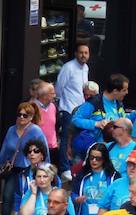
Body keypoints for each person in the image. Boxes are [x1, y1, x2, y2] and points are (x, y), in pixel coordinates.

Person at [0, 103, 49, 215]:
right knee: (7, 198)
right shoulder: (11, 130)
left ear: (31, 117)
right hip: (13, 169)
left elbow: (44, 150)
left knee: (27, 198)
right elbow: (5, 148)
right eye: (19, 114)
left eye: (25, 115)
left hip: (29, 169)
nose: (21, 117)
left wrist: (46, 169)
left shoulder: (36, 131)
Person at [56, 43, 90, 179]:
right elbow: (59, 87)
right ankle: (64, 168)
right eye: (81, 52)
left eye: (86, 53)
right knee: (65, 138)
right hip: (68, 108)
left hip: (80, 110)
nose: (83, 55)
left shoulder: (86, 68)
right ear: (76, 53)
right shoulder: (68, 67)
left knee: (76, 138)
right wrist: (60, 104)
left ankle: (73, 165)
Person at [72, 74, 132, 149]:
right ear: (115, 91)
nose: (127, 92)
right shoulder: (94, 102)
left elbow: (124, 119)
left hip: (114, 148)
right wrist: (96, 124)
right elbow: (75, 120)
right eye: (124, 90)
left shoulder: (118, 103)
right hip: (95, 150)